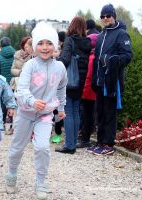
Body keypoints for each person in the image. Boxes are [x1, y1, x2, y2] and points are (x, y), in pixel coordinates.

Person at [5, 22, 67, 200]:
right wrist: (32, 101)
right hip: (25, 113)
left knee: (42, 147)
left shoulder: (60, 68)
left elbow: (62, 88)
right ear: (34, 46)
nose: (45, 47)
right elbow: (21, 90)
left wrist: (61, 108)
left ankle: (41, 181)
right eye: (40, 43)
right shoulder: (30, 65)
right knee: (18, 148)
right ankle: (11, 174)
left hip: (46, 115)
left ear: (55, 45)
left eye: (49, 43)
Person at [90, 4, 133, 155]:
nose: (105, 19)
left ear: (114, 16)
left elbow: (128, 56)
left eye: (108, 15)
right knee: (100, 112)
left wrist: (111, 59)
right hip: (100, 81)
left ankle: (108, 144)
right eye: (102, 16)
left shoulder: (121, 34)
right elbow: (96, 59)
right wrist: (95, 78)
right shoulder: (101, 35)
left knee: (109, 112)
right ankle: (100, 142)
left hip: (112, 81)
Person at [55, 16, 91, 154]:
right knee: (76, 112)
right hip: (81, 81)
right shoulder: (87, 42)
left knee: (68, 112)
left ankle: (69, 145)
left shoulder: (70, 40)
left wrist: (56, 60)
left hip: (69, 81)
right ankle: (73, 142)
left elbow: (65, 59)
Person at [76, 33, 99, 148]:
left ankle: (85, 139)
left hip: (89, 91)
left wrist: (84, 91)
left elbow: (89, 77)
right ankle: (86, 137)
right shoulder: (95, 55)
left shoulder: (92, 57)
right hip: (93, 91)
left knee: (86, 115)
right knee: (90, 115)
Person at [0, 37, 15, 132]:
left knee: (3, 104)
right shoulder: (15, 54)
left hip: (3, 83)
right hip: (14, 83)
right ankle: (11, 125)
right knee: (12, 103)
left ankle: (3, 123)